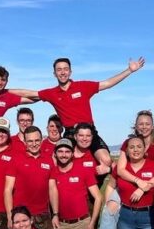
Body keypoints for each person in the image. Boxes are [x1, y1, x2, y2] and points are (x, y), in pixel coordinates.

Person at [14, 56, 146, 169]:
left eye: (65, 69)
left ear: (70, 71)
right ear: (54, 73)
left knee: (106, 161)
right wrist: (0, 91)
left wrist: (129, 70)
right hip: (71, 133)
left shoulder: (83, 86)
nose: (63, 72)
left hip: (89, 131)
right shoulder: (52, 93)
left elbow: (107, 83)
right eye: (59, 70)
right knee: (59, 161)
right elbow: (29, 93)